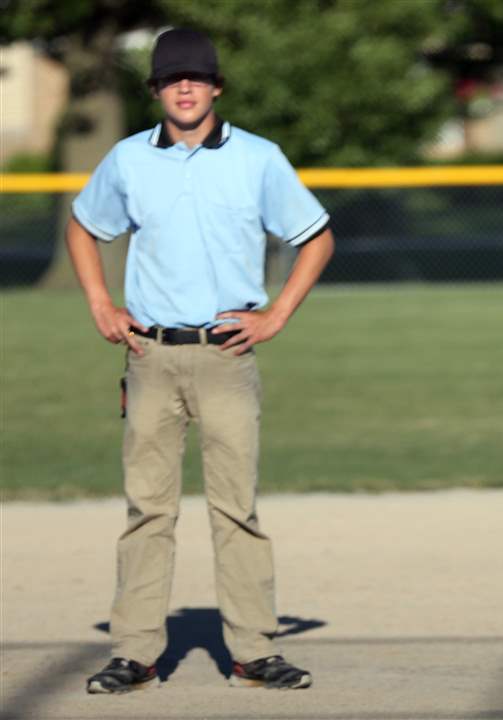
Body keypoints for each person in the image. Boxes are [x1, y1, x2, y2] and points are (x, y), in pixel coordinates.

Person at [68, 28, 334, 693]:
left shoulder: (258, 158)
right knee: (147, 510)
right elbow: (82, 226)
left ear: (215, 86)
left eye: (196, 76)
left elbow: (316, 238)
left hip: (225, 357)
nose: (184, 86)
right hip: (150, 354)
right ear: (155, 89)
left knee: (235, 508)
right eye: (170, 77)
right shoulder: (128, 160)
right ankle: (134, 652)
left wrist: (276, 315)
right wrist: (101, 301)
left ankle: (252, 651)